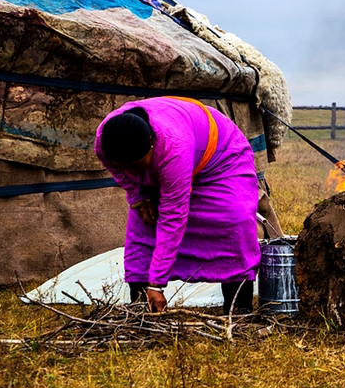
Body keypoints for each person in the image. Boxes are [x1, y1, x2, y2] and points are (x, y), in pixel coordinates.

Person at [95, 96, 261, 314]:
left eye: (136, 165)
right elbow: (120, 172)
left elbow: (173, 218)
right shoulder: (105, 140)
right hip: (178, 150)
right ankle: (140, 310)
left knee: (232, 220)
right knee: (143, 226)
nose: (130, 172)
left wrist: (157, 284)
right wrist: (139, 197)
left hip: (222, 157)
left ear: (152, 144)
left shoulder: (172, 149)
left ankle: (238, 309)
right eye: (122, 166)